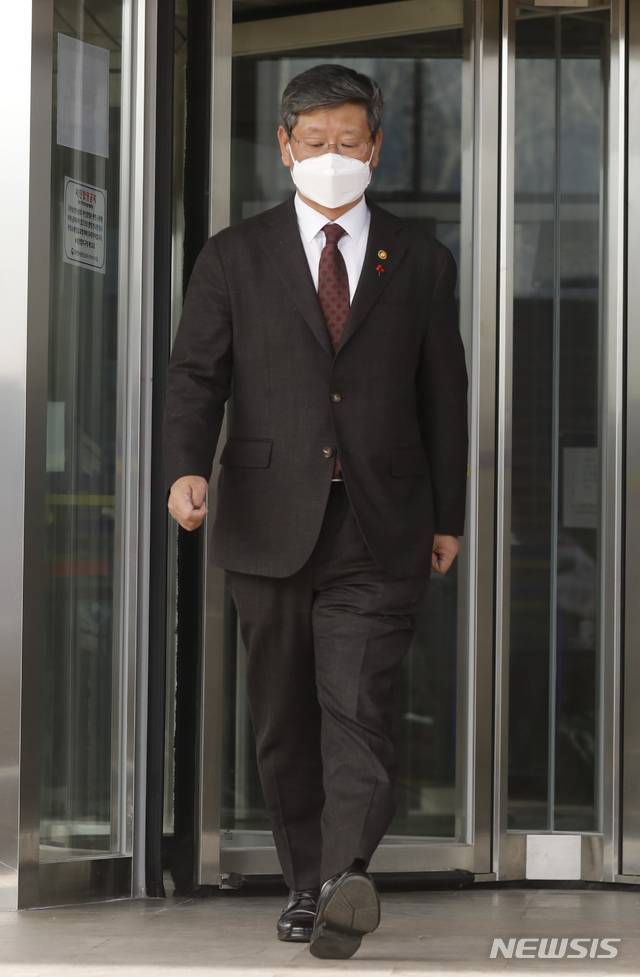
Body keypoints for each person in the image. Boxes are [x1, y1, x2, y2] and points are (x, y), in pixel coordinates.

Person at [164, 63, 469, 960]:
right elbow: (196, 375)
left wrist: (449, 515)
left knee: (358, 706)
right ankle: (305, 881)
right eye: (316, 140)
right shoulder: (234, 254)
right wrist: (184, 469)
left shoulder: (421, 258)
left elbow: (443, 394)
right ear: (286, 147)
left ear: (375, 147)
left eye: (349, 140)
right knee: (284, 714)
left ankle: (343, 881)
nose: (333, 154)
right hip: (267, 517)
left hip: (381, 522)